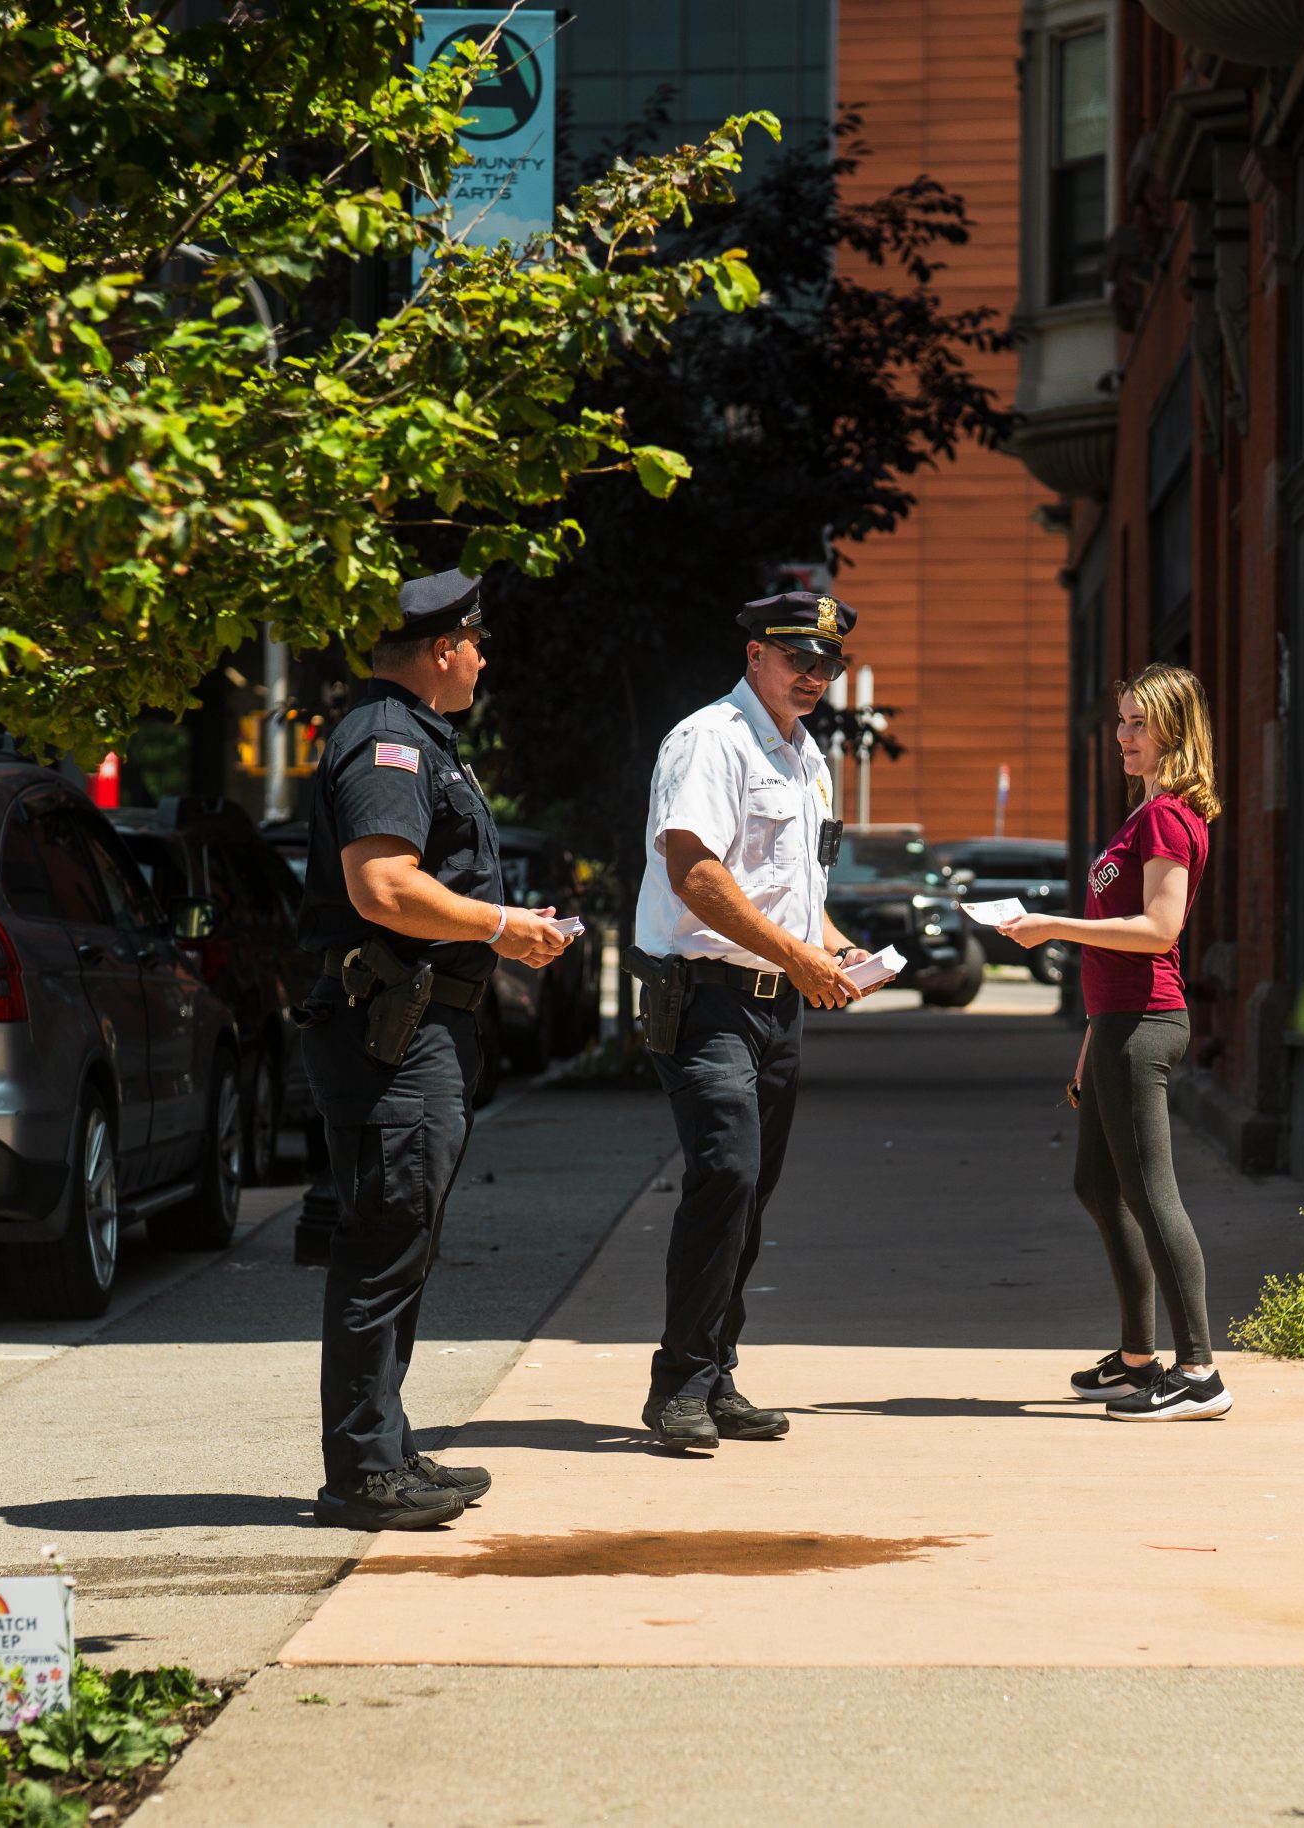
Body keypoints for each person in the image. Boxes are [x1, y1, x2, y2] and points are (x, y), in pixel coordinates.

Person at [295, 569, 575, 1527]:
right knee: (383, 1242)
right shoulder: (388, 744)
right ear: (445, 648)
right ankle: (364, 1472)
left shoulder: (409, 737)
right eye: (479, 642)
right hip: (394, 1041)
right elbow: (382, 888)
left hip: (414, 1030)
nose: (485, 659)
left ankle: (385, 1448)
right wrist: (499, 926)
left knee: (400, 1241)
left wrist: (494, 922)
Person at [629, 591, 876, 1450]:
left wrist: (836, 950)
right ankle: (679, 1388)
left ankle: (716, 1371)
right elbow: (696, 873)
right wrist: (797, 955)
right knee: (725, 1173)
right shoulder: (712, 740)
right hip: (707, 998)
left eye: (828, 664)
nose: (814, 676)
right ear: (754, 657)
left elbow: (797, 890)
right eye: (798, 658)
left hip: (777, 1007)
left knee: (751, 1192)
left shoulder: (806, 756)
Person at [999, 662, 1229, 1421]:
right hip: (1117, 1025)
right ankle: (1137, 1360)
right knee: (1099, 1186)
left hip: (1146, 1024)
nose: (1122, 736)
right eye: (1121, 721)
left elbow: (1161, 930)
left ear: (1172, 729)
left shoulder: (1167, 818)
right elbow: (1118, 949)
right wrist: (1089, 1042)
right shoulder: (1145, 814)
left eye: (1137, 723)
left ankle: (1199, 1373)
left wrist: (1052, 926)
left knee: (1149, 1193)